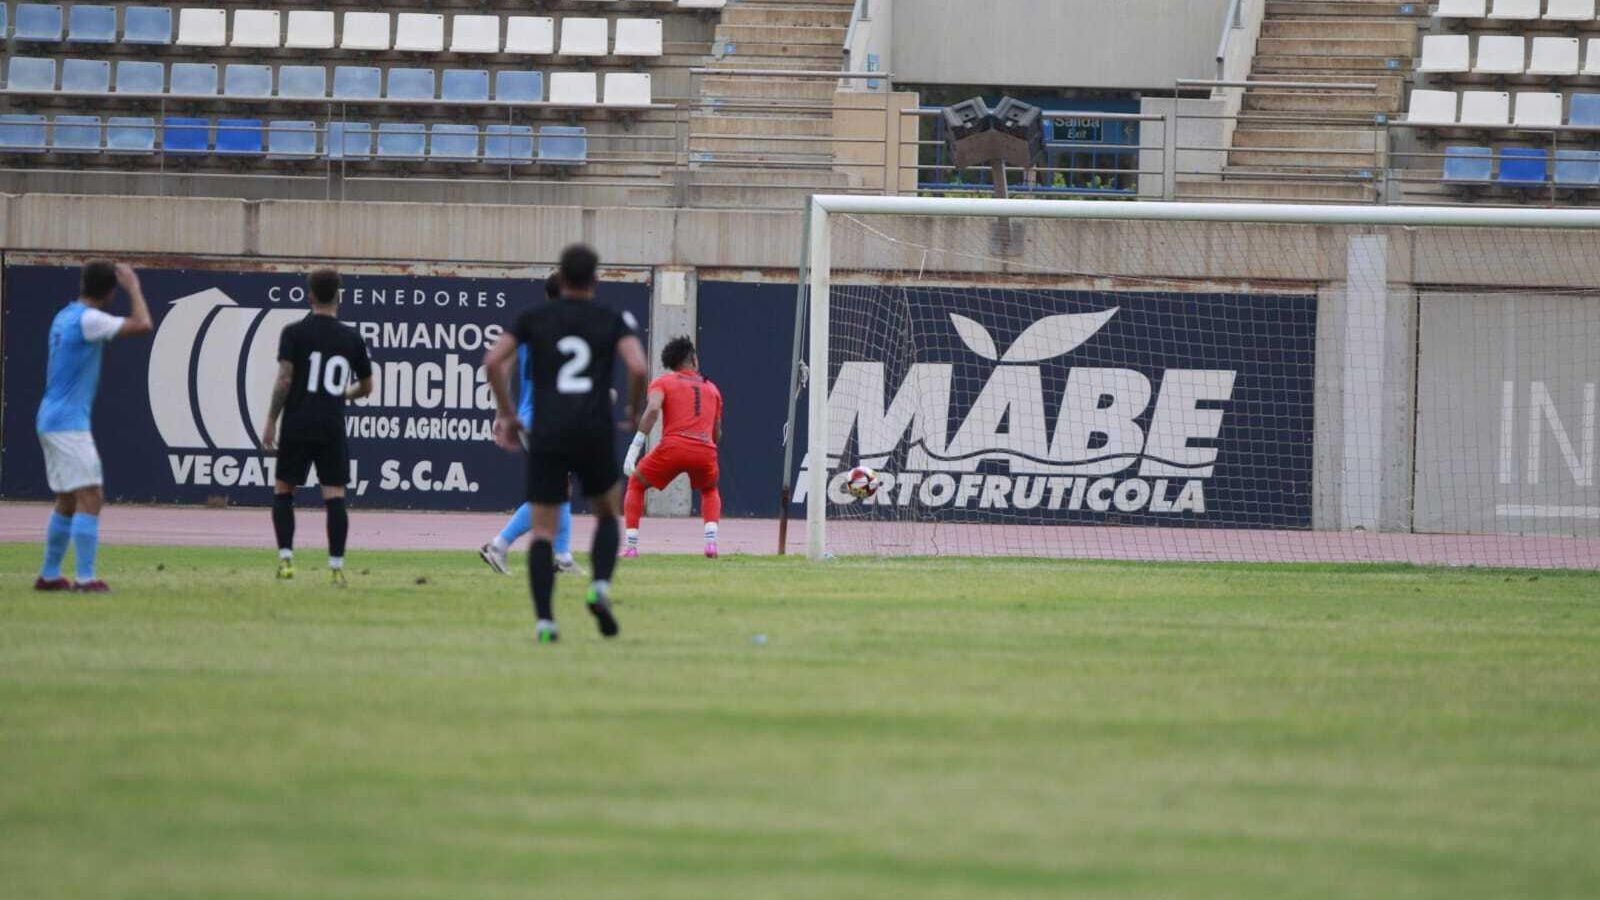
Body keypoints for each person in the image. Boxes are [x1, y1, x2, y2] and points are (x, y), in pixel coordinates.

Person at [484, 244, 648, 644]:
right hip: (592, 430)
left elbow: (492, 362)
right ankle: (601, 588)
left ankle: (545, 622)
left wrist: (506, 414)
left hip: (548, 431)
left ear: (561, 274)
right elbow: (639, 366)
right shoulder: (610, 318)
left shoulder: (532, 318)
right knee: (608, 515)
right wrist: (633, 406)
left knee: (543, 528)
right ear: (595, 279)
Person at [34, 261, 153, 592]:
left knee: (67, 500)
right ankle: (85, 578)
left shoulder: (65, 315)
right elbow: (143, 324)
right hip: (68, 424)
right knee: (92, 495)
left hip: (50, 417)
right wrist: (134, 287)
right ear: (110, 291)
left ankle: (49, 574)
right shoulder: (90, 320)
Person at [261, 268, 374, 587]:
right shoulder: (351, 337)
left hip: (297, 422)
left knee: (284, 491)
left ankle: (286, 560)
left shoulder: (293, 332)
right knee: (334, 496)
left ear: (309, 296)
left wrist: (271, 419)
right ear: (339, 297)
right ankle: (336, 566)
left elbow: (285, 378)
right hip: (331, 424)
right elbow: (367, 387)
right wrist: (344, 395)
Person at [479, 275, 580, 577]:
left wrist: (503, 413)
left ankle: (561, 555)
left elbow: (502, 364)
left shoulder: (530, 325)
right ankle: (499, 544)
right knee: (550, 491)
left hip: (529, 416)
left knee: (558, 487)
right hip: (547, 419)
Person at [622, 337, 725, 559]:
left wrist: (634, 448)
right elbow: (717, 434)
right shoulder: (713, 389)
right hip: (705, 448)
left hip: (673, 447)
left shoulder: (663, 382)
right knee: (709, 488)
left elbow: (652, 411)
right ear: (694, 360)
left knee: (636, 483)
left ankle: (631, 547)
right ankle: (711, 544)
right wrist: (706, 451)